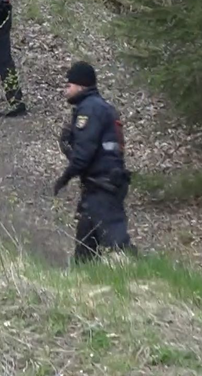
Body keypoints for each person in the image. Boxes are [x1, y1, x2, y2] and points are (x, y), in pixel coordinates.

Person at [53, 61, 135, 263]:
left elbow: (84, 152)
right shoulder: (99, 107)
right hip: (100, 185)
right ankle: (83, 282)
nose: (66, 90)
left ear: (81, 85)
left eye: (69, 85)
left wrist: (65, 176)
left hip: (103, 186)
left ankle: (142, 276)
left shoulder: (89, 109)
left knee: (117, 243)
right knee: (85, 246)